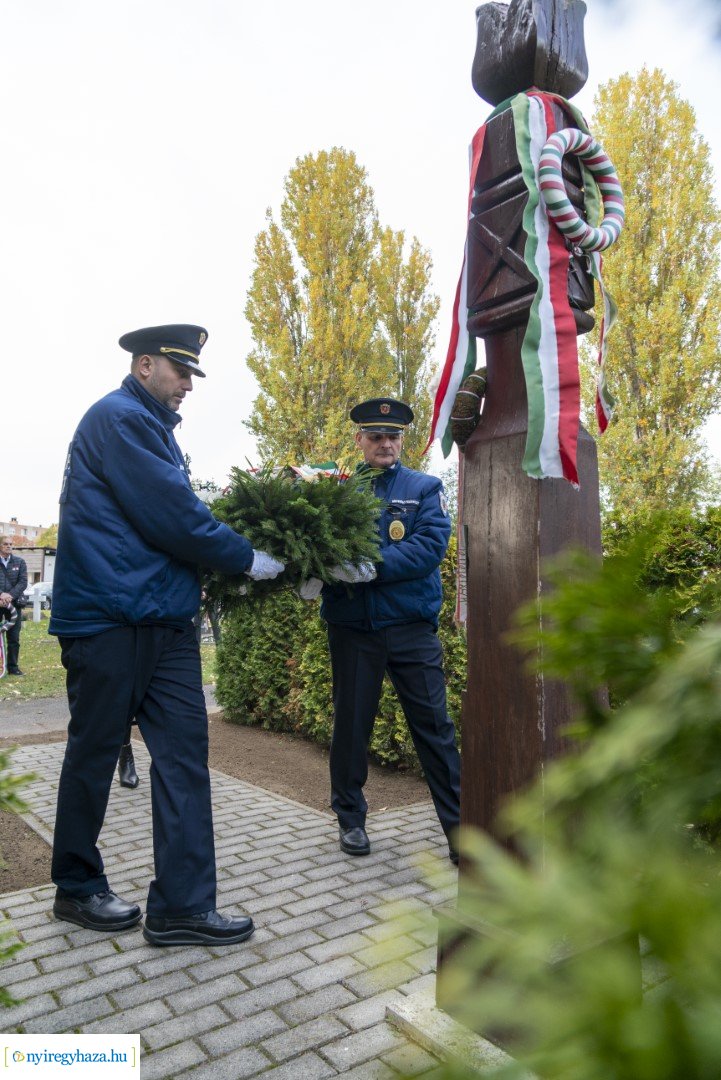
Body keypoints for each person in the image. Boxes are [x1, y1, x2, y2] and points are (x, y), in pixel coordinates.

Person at [49, 324, 285, 946]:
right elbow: (174, 517)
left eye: (192, 375)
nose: (187, 386)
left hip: (163, 622)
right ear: (145, 363)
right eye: (180, 372)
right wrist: (245, 557)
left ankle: (182, 905)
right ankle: (75, 886)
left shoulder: (151, 429)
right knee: (95, 754)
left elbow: (179, 517)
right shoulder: (120, 419)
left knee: (184, 758)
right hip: (109, 619)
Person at [315, 398, 461, 863]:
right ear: (358, 440)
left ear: (403, 441)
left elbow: (427, 549)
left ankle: (462, 831)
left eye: (393, 436)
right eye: (375, 436)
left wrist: (368, 566)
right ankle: (350, 818)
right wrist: (308, 570)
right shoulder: (335, 491)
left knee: (435, 730)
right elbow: (314, 539)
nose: (385, 444)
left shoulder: (424, 487)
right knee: (351, 726)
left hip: (410, 630)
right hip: (353, 629)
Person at [0, 537, 27, 676]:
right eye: (5, 544)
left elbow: (23, 582)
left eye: (10, 544)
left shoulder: (20, 562)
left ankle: (13, 667)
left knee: (14, 637)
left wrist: (9, 596)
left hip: (14, 603)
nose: (8, 546)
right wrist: (1, 595)